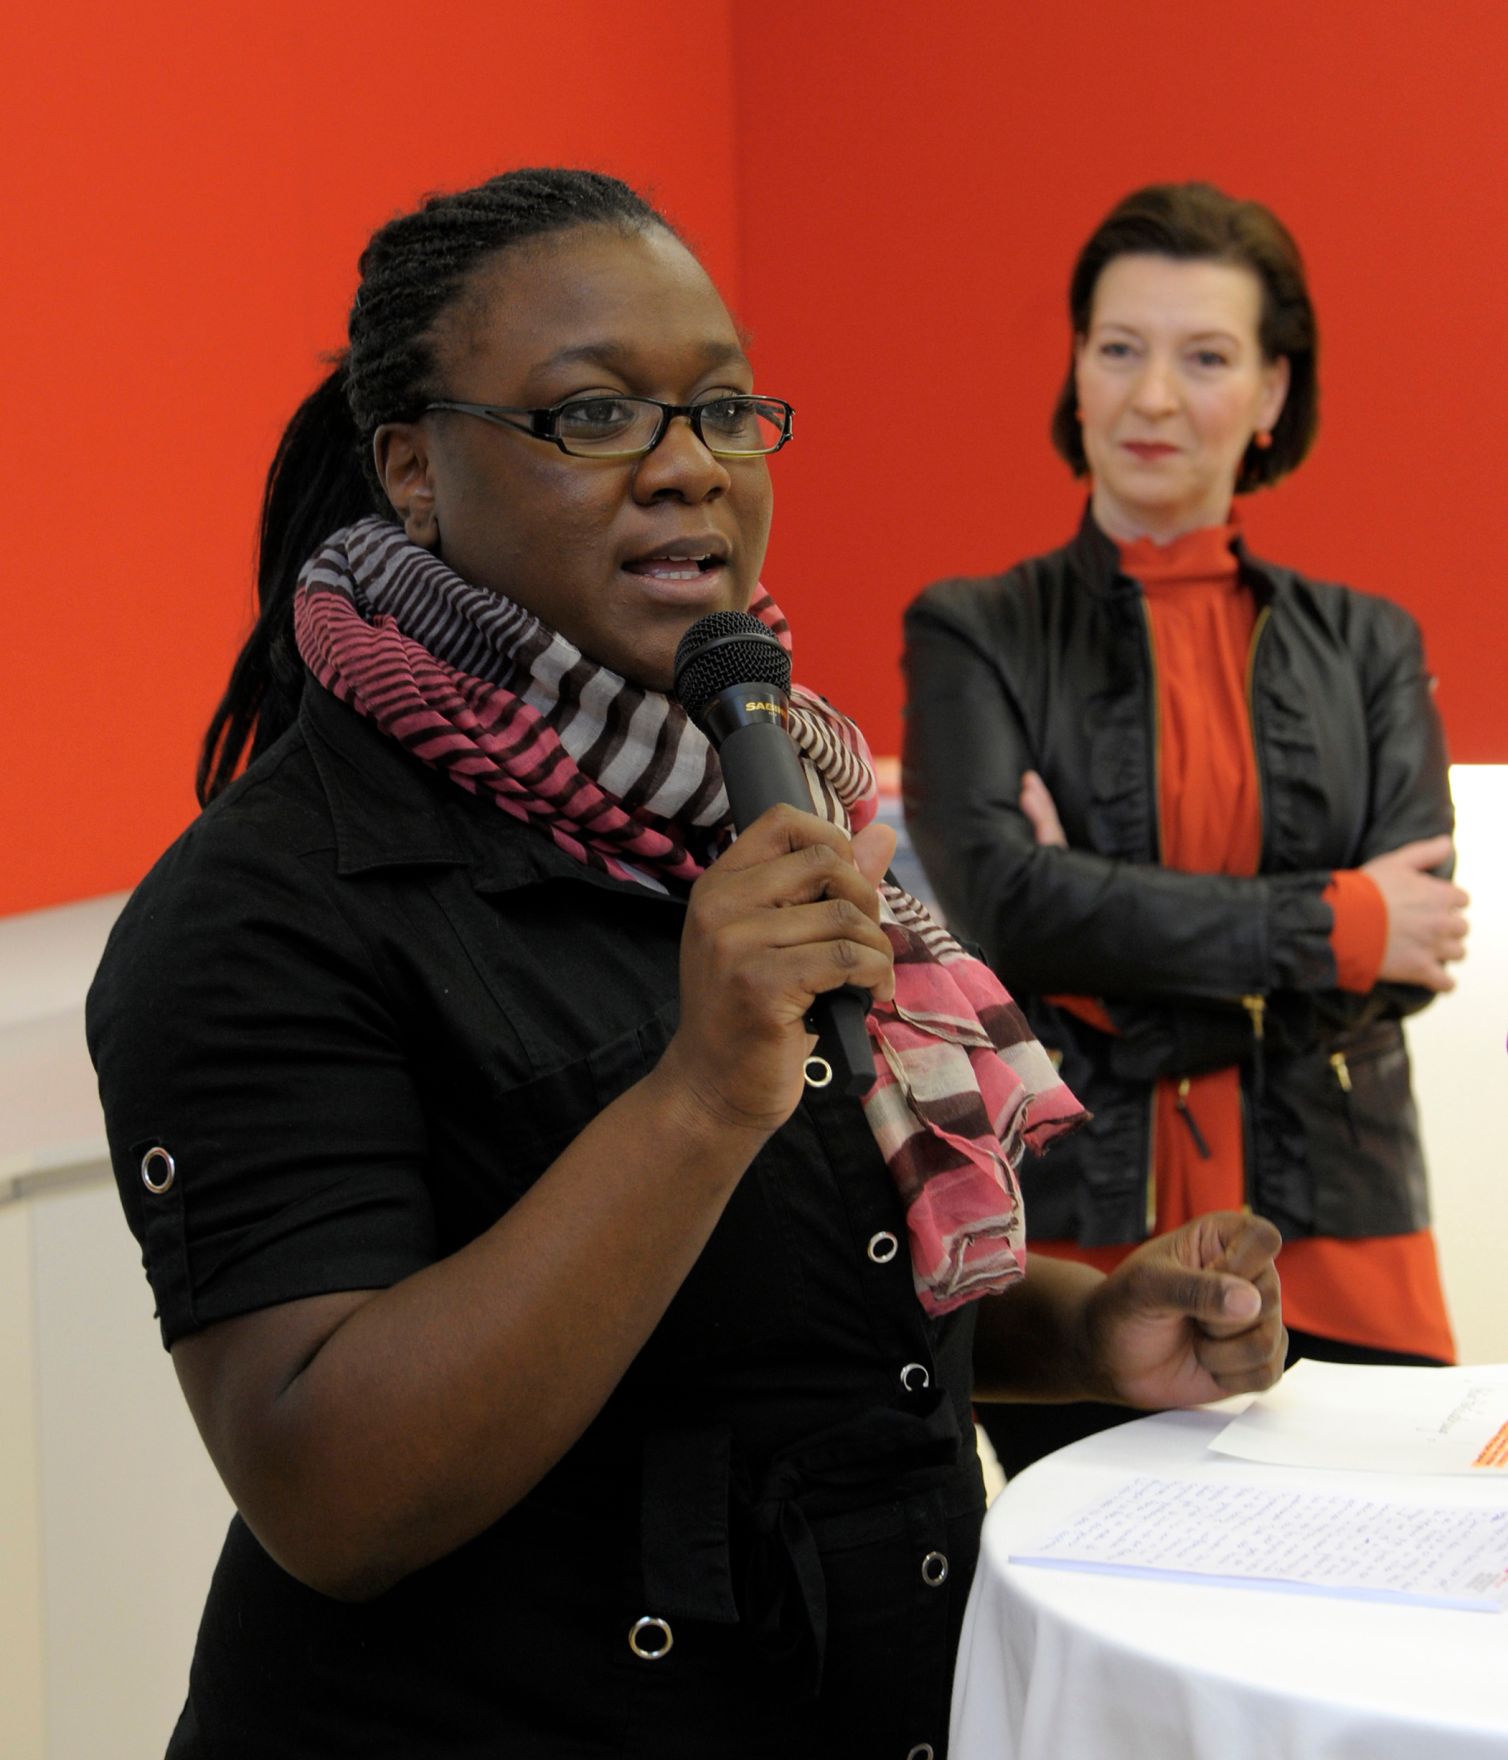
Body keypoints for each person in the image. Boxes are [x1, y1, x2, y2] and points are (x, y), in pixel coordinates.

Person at [88, 168, 1284, 1758]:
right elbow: (330, 1491)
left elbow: (813, 1301)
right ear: (412, 470)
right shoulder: (262, 909)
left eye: (725, 412)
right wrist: (702, 1094)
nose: (688, 471)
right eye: (596, 419)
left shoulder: (774, 793)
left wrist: (1084, 1333)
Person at [901, 181, 1466, 1481]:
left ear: (1272, 391)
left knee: (1372, 1625)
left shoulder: (1372, 643)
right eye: (1119, 348)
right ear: (1078, 370)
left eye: (1205, 357)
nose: (1154, 397)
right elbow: (997, 909)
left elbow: (1413, 958)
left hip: (1344, 1231)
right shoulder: (971, 629)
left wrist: (1095, 954)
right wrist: (1336, 920)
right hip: (1073, 1262)